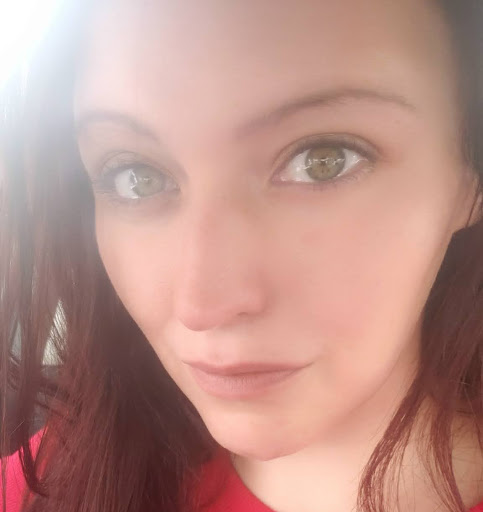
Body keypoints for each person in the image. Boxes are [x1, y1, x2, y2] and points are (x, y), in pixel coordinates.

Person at [2, 0, 483, 510]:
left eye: (323, 160)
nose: (203, 306)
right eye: (137, 177)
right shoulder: (52, 479)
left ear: (469, 182)